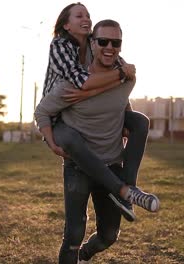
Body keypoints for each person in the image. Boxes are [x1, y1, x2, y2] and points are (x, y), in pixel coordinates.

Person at [35, 19, 151, 263]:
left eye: (116, 42)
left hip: (111, 164)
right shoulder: (72, 83)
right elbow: (42, 111)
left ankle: (87, 252)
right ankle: (125, 192)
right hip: (79, 167)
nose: (110, 46)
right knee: (74, 233)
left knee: (109, 235)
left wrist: (126, 122)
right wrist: (52, 142)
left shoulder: (126, 78)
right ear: (92, 43)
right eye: (103, 41)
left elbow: (121, 101)